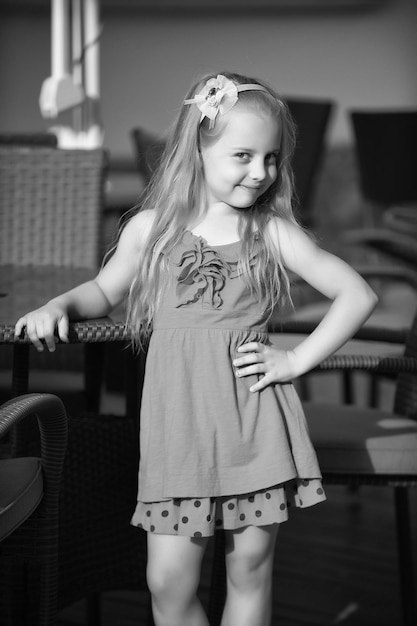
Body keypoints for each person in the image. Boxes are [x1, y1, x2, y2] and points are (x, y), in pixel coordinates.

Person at [15, 71, 378, 626]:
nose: (260, 172)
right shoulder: (151, 229)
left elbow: (357, 293)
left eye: (272, 158)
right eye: (243, 155)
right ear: (199, 148)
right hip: (176, 435)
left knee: (249, 573)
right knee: (167, 583)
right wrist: (57, 306)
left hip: (252, 426)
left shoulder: (271, 232)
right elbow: (102, 292)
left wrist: (297, 359)